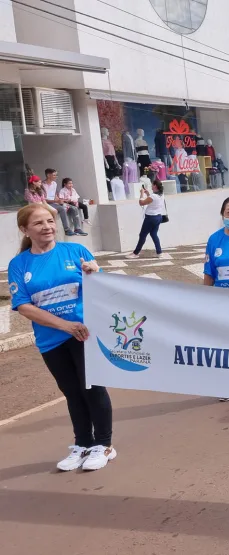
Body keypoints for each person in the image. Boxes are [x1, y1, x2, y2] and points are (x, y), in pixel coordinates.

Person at [7, 203, 115, 471]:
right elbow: (23, 305)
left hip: (84, 333)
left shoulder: (75, 251)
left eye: (50, 221)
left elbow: (101, 289)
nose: (47, 227)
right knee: (71, 392)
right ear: (25, 229)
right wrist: (65, 326)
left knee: (92, 388)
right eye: (39, 223)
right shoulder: (19, 264)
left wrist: (96, 273)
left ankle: (104, 445)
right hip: (51, 339)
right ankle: (83, 444)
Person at [126, 179, 166, 259]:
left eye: (152, 184)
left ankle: (135, 253)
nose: (151, 186)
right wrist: (148, 194)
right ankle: (159, 252)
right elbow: (153, 201)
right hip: (158, 217)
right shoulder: (161, 194)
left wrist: (141, 194)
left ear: (155, 185)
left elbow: (141, 203)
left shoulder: (153, 196)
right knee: (154, 234)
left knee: (142, 235)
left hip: (150, 218)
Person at [43, 168, 74, 236]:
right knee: (61, 209)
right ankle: (67, 229)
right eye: (54, 175)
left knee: (71, 207)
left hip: (54, 202)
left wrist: (59, 200)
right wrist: (55, 201)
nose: (56, 177)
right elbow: (43, 199)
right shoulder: (42, 185)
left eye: (56, 175)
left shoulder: (54, 184)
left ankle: (76, 228)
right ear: (48, 175)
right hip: (46, 203)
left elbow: (55, 194)